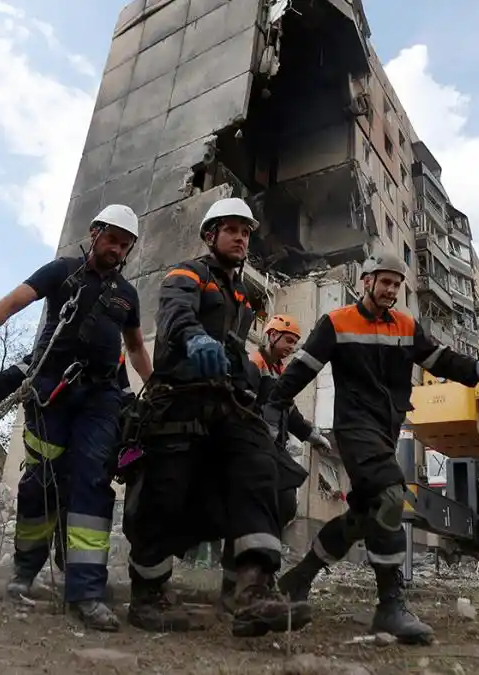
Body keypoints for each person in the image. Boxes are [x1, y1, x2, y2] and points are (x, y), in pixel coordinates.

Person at [264, 251, 479, 645]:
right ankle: (390, 606)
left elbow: (440, 359)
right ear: (366, 282)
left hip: (385, 430)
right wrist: (274, 406)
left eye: (397, 284)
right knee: (392, 495)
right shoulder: (337, 322)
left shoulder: (406, 326)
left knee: (364, 515)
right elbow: (303, 367)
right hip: (353, 428)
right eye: (385, 282)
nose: (391, 290)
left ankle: (298, 579)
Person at [0, 205, 152, 632]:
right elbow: (12, 301)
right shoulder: (62, 271)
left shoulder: (127, 295)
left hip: (102, 397)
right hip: (52, 391)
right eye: (111, 237)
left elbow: (135, 349)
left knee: (93, 484)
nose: (116, 247)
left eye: (124, 242)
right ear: (94, 233)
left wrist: (156, 388)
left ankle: (86, 591)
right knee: (42, 481)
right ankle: (25, 572)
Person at [122, 196, 309, 638]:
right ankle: (146, 595)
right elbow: (176, 316)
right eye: (232, 231)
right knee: (164, 494)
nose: (242, 238)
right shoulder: (186, 274)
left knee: (262, 470)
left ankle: (249, 591)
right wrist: (193, 339)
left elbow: (231, 346)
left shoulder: (241, 296)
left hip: (225, 403)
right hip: (179, 400)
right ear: (210, 235)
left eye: (246, 233)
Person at [0, 351, 134, 572]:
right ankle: (25, 571)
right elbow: (22, 369)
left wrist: (129, 436)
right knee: (39, 501)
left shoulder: (112, 355)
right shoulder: (58, 341)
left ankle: (75, 574)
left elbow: (125, 396)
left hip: (88, 450)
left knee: (81, 507)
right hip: (50, 445)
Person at [215, 314, 330, 616]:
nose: (291, 347)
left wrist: (311, 435)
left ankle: (258, 572)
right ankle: (241, 581)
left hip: (272, 451)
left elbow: (289, 414)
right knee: (265, 506)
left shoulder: (279, 374)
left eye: (294, 342)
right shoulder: (256, 365)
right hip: (252, 449)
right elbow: (242, 402)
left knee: (284, 504)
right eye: (287, 340)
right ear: (271, 336)